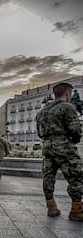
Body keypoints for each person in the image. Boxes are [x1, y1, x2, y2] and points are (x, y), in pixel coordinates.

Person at [36, 82, 83, 221]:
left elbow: (39, 132)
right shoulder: (67, 107)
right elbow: (75, 129)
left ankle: (52, 208)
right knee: (77, 176)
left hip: (47, 146)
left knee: (48, 177)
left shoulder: (42, 111)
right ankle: (77, 210)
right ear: (67, 93)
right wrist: (74, 139)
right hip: (63, 145)